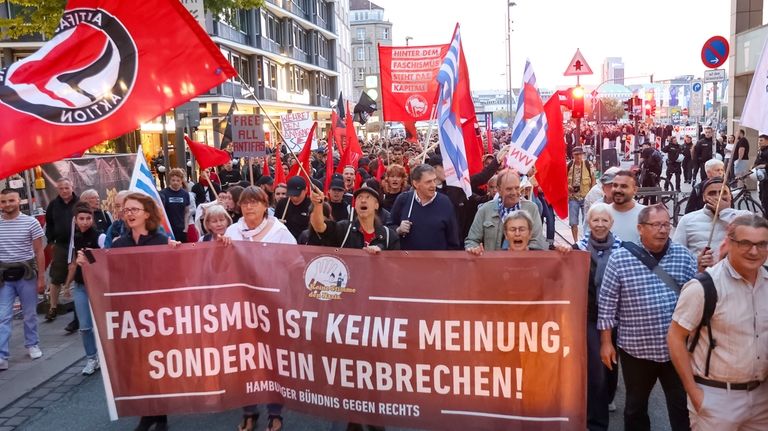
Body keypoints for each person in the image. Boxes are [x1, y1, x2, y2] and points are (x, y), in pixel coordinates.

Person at [598, 204, 697, 431]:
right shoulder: (620, 259)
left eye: (666, 224)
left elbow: (696, 296)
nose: (663, 230)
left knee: (682, 406)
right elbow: (607, 303)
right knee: (635, 407)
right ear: (640, 228)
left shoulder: (684, 256)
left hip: (677, 350)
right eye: (656, 225)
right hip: (636, 350)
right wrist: (605, 342)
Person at [668, 214, 768, 430]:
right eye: (746, 243)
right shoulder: (704, 287)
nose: (754, 251)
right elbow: (676, 337)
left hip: (763, 400)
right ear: (729, 243)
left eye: (761, 244)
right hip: (717, 398)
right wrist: (694, 393)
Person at [102, 193, 176, 431]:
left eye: (135, 209)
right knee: (138, 365)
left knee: (156, 363)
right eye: (126, 210)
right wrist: (87, 261)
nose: (130, 214)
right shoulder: (119, 244)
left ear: (147, 213)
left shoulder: (160, 241)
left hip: (157, 313)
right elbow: (108, 272)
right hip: (131, 315)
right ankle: (148, 412)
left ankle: (160, 414)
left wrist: (175, 251)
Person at [223, 186, 294, 431]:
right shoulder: (232, 231)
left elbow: (296, 265)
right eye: (245, 203)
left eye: (255, 202)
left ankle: (275, 413)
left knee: (273, 361)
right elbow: (220, 266)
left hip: (272, 305)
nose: (249, 207)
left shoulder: (279, 231)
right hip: (241, 306)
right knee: (245, 360)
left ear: (265, 205)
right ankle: (249, 412)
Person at [574, 203, 622, 431]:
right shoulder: (577, 249)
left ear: (611, 223)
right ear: (588, 222)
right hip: (591, 316)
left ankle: (608, 397)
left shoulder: (624, 250)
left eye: (605, 220)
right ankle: (596, 423)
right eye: (596, 220)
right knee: (597, 370)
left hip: (618, 317)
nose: (600, 225)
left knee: (612, 367)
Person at [0, 189, 46, 370]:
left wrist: (41, 278)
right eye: (3, 201)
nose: (7, 204)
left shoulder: (31, 223)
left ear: (19, 201)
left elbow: (39, 251)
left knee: (30, 313)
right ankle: (2, 355)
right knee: (3, 315)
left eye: (11, 200)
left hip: (26, 273)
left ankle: (32, 344)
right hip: (4, 275)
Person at [673, 177, 750, 266]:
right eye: (712, 193)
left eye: (723, 193)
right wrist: (696, 262)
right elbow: (676, 256)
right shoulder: (687, 220)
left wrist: (724, 211)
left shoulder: (744, 216)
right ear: (703, 197)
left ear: (730, 196)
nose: (718, 197)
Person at [465, 170, 546, 253]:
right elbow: (471, 241)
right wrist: (474, 249)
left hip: (522, 264)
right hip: (493, 264)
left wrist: (526, 250)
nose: (514, 192)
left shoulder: (531, 209)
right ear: (499, 190)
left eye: (517, 188)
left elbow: (538, 243)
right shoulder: (485, 210)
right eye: (509, 189)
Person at [63, 202, 100, 375]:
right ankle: (91, 358)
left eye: (87, 218)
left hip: (98, 286)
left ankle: (103, 356)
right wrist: (67, 284)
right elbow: (73, 263)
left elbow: (104, 263)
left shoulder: (99, 236)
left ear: (92, 219)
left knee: (100, 326)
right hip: (80, 285)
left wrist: (90, 257)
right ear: (75, 220)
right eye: (81, 219)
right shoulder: (75, 237)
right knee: (84, 326)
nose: (84, 222)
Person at [387, 164, 460, 250]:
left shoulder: (445, 202)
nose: (433, 185)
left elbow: (453, 238)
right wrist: (398, 230)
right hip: (408, 260)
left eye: (434, 180)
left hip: (437, 261)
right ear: (416, 184)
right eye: (428, 182)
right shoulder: (403, 200)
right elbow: (388, 228)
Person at [309, 184, 399, 251]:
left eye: (368, 198)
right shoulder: (343, 229)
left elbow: (394, 267)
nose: (363, 200)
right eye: (359, 197)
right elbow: (319, 227)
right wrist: (317, 204)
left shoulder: (389, 236)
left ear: (376, 205)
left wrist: (381, 256)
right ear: (355, 205)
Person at [45, 178, 79, 322]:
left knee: (80, 276)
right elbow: (49, 223)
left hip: (78, 244)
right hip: (61, 245)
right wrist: (51, 240)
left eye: (66, 187)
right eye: (61, 188)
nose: (64, 191)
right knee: (56, 276)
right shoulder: (53, 205)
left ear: (72, 186)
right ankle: (53, 307)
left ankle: (81, 308)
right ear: (57, 189)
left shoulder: (79, 203)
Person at [497, 210, 570, 253]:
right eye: (513, 229)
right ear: (506, 234)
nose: (517, 233)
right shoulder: (497, 260)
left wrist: (563, 250)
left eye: (522, 229)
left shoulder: (541, 258)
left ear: (530, 233)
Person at [608, 170, 645, 244]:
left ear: (634, 190)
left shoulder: (646, 214)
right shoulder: (601, 213)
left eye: (624, 186)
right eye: (615, 185)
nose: (618, 190)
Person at [567, 146, 595, 241]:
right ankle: (575, 241)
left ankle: (586, 240)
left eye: (580, 154)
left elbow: (593, 179)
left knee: (587, 220)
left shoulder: (588, 164)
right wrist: (568, 187)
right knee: (573, 221)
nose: (578, 157)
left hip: (586, 196)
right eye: (576, 155)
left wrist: (592, 192)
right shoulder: (569, 165)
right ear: (573, 155)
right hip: (573, 197)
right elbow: (563, 180)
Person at [159, 168, 190, 243]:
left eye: (178, 180)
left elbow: (187, 212)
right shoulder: (163, 193)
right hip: (167, 229)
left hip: (181, 229)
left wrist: (186, 227)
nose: (175, 182)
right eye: (173, 180)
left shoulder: (185, 194)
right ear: (169, 180)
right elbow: (160, 212)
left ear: (181, 181)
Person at [753, 134, 768, 216]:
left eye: (761, 140)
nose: (759, 142)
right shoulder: (761, 150)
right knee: (762, 196)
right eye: (759, 140)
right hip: (763, 179)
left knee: (765, 199)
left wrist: (765, 165)